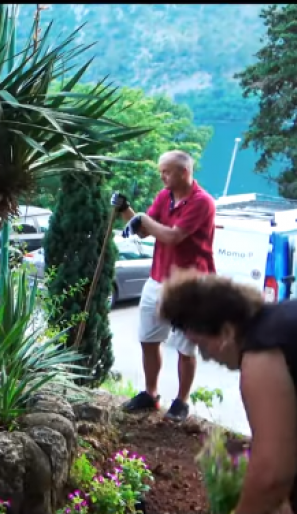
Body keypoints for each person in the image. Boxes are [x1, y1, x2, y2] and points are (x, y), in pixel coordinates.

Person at [159, 270, 296, 514]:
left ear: (226, 332)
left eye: (202, 344)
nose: (206, 357)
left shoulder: (262, 352)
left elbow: (271, 474)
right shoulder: (284, 321)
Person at [110, 150, 216, 422]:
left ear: (184, 172)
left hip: (188, 287)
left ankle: (181, 401)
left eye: (166, 172)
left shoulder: (202, 202)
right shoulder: (163, 196)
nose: (161, 176)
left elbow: (172, 236)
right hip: (157, 280)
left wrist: (142, 218)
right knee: (148, 339)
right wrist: (127, 211)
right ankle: (151, 393)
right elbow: (145, 230)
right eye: (161, 171)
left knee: (185, 347)